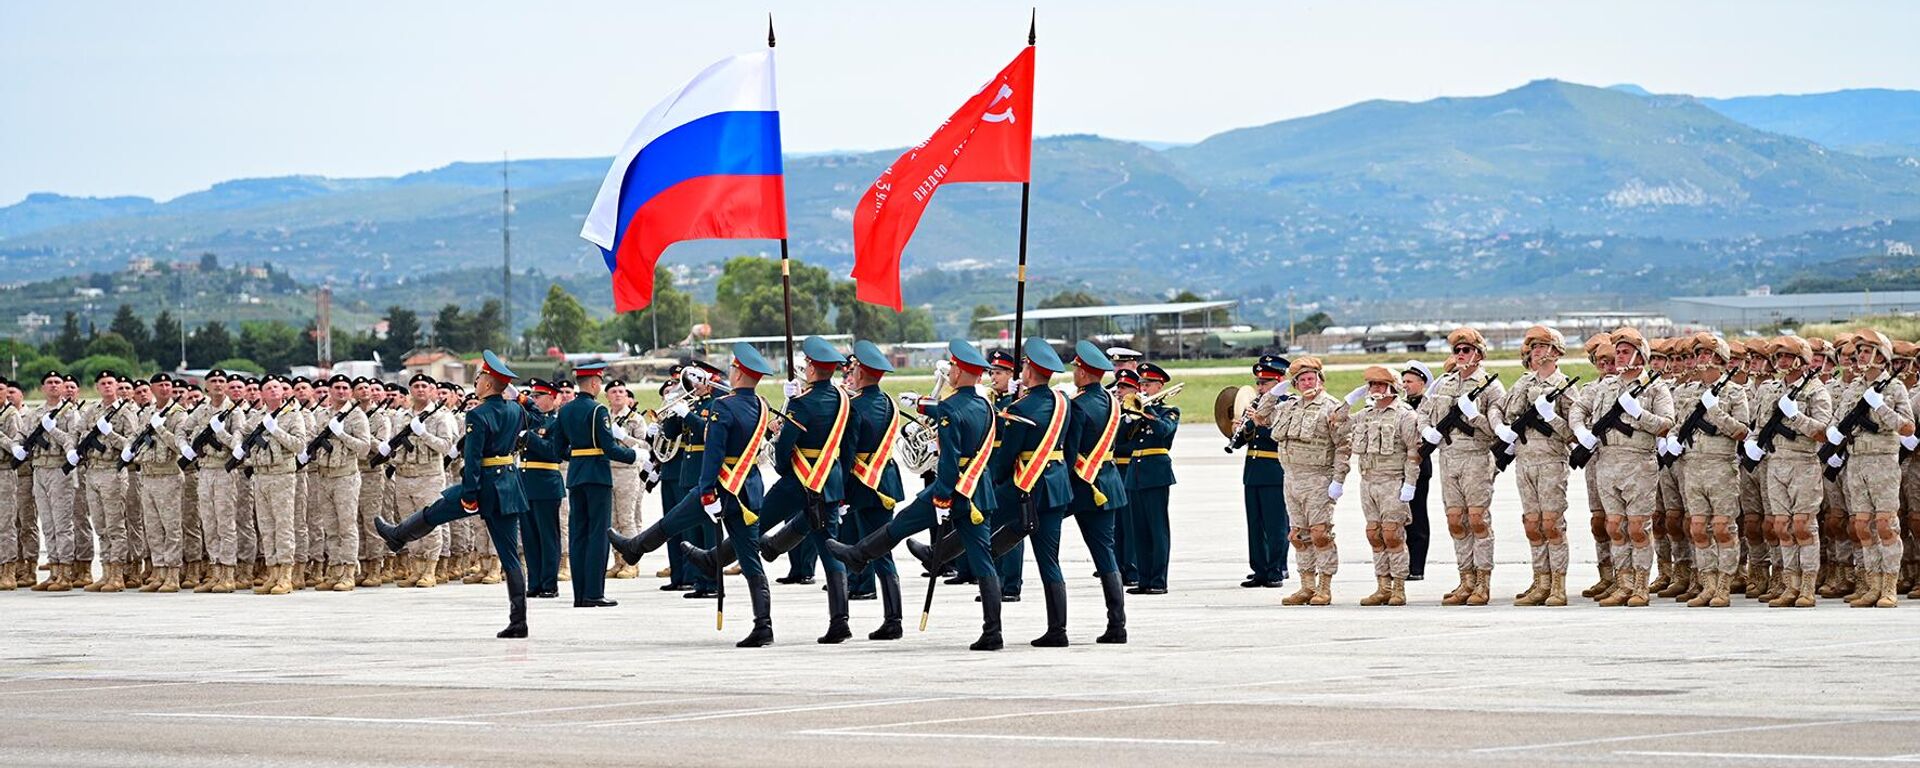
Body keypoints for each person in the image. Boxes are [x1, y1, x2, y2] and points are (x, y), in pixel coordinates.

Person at [824, 339, 1004, 652]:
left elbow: (949, 460)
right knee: (982, 560)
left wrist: (943, 497)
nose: (950, 370)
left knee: (900, 526)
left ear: (961, 372)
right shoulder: (984, 405)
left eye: (953, 366)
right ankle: (993, 630)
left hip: (952, 489)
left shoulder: (950, 408)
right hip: (979, 491)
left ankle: (858, 555)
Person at [610, 343, 780, 647]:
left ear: (738, 373)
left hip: (721, 487)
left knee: (671, 522)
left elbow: (713, 455)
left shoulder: (724, 407)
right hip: (749, 491)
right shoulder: (762, 405)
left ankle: (635, 548)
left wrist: (705, 493)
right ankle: (763, 625)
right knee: (750, 558)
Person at [377, 351, 532, 638]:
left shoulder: (478, 413)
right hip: (508, 486)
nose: (476, 382)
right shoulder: (516, 410)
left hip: (483, 486)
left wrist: (470, 495)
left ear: (487, 384)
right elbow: (536, 416)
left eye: (480, 378)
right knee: (509, 556)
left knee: (437, 511)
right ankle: (519, 621)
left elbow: (472, 460)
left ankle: (398, 536)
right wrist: (521, 396)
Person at [1582, 327, 1677, 608]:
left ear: (1639, 354)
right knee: (1615, 527)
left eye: (1624, 351)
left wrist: (1638, 413)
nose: (1619, 356)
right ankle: (1622, 584)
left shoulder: (1656, 387)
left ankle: (1640, 586)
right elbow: (1579, 408)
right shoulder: (1606, 386)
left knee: (1638, 527)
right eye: (1618, 352)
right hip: (1608, 462)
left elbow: (1666, 423)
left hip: (1639, 462)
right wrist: (1579, 429)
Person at [1492, 326, 1582, 606]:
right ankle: (1540, 581)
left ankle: (1557, 585)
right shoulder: (1522, 384)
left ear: (1556, 351)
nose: (1536, 351)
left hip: (1551, 461)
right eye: (1534, 347)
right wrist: (1500, 428)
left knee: (1552, 524)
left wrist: (1550, 418)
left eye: (1543, 346)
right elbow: (1499, 407)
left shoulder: (1566, 388)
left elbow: (1574, 434)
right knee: (1532, 524)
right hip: (1525, 461)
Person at [536, 361, 636, 608]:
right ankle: (594, 592)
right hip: (597, 477)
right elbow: (610, 447)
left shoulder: (566, 411)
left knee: (579, 534)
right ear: (594, 382)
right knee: (598, 535)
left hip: (576, 477)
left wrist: (578, 455)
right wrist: (635, 456)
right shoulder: (597, 410)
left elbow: (559, 450)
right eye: (600, 382)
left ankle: (580, 595)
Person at [1052, 341, 1129, 643]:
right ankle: (1117, 624)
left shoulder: (1078, 405)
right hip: (1107, 483)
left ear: (1083, 373)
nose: (1073, 373)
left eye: (1075, 368)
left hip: (1082, 486)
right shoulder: (1112, 402)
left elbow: (1070, 454)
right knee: (1105, 554)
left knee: (1034, 532)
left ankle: (1056, 624)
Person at [838, 340, 909, 639]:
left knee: (879, 553)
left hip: (865, 486)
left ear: (862, 373)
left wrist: (840, 491)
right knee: (882, 550)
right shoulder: (889, 404)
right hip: (886, 481)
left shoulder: (853, 408)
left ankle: (893, 620)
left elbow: (847, 452)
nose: (851, 373)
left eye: (854, 369)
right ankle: (891, 617)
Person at [1270, 356, 1350, 606]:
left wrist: (1338, 480)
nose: (1307, 383)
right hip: (1291, 478)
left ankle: (1324, 586)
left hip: (1318, 478)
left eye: (1311, 378)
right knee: (1297, 535)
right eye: (1301, 380)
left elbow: (1343, 446)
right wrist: (1273, 394)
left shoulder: (1331, 408)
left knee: (1320, 534)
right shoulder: (1289, 406)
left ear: (1320, 380)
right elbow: (1261, 418)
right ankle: (1306, 586)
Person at [1124, 363, 1178, 595]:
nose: (1143, 388)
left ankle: (1158, 580)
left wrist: (1148, 411)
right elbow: (1120, 441)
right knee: (1139, 530)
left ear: (1160, 386)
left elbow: (1163, 431)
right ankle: (1143, 579)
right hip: (1134, 474)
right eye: (1141, 384)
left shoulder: (1170, 410)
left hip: (1156, 473)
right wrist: (1128, 418)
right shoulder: (1134, 412)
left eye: (1148, 384)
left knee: (1157, 529)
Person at [1241, 355, 1291, 589]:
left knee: (1276, 524)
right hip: (1253, 471)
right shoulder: (1255, 405)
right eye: (1259, 383)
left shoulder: (1288, 404)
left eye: (1265, 383)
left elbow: (1281, 436)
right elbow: (1242, 440)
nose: (1260, 387)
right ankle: (1259, 569)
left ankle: (1276, 569)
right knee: (1255, 524)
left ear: (1279, 381)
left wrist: (1262, 422)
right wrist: (1243, 425)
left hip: (1275, 470)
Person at [518, 379, 567, 599]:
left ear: (553, 398)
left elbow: (553, 453)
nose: (535, 399)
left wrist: (529, 438)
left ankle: (549, 583)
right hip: (526, 483)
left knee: (548, 536)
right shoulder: (528, 421)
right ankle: (535, 582)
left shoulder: (557, 423)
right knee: (530, 537)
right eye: (533, 396)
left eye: (539, 396)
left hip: (546, 483)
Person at [1399, 361, 1434, 580]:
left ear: (1422, 383)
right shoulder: (1401, 405)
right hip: (1399, 465)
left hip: (1419, 465)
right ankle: (1403, 563)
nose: (1405, 385)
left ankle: (1417, 566)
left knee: (1417, 516)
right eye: (1403, 381)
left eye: (1410, 381)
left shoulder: (1428, 404)